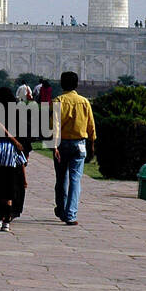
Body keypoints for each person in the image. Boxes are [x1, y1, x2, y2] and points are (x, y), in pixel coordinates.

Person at [53, 71, 96, 225]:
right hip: (79, 144)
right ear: (76, 85)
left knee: (61, 179)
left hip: (62, 143)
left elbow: (54, 126)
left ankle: (62, 208)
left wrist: (54, 146)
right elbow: (91, 126)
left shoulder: (58, 101)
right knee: (75, 180)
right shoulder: (84, 102)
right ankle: (71, 214)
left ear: (61, 84)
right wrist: (91, 144)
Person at [0, 87, 28, 232]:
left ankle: (0, 213)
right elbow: (25, 135)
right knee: (14, 185)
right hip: (14, 155)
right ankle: (11, 212)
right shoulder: (18, 113)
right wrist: (25, 152)